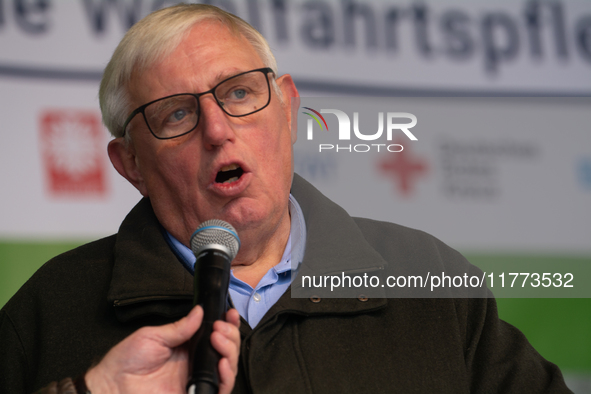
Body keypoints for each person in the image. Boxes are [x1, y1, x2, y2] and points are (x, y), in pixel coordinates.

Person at [0, 4, 572, 394]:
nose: (218, 130)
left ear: (288, 108)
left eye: (240, 93)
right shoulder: (49, 309)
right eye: (177, 113)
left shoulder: (429, 280)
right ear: (131, 165)